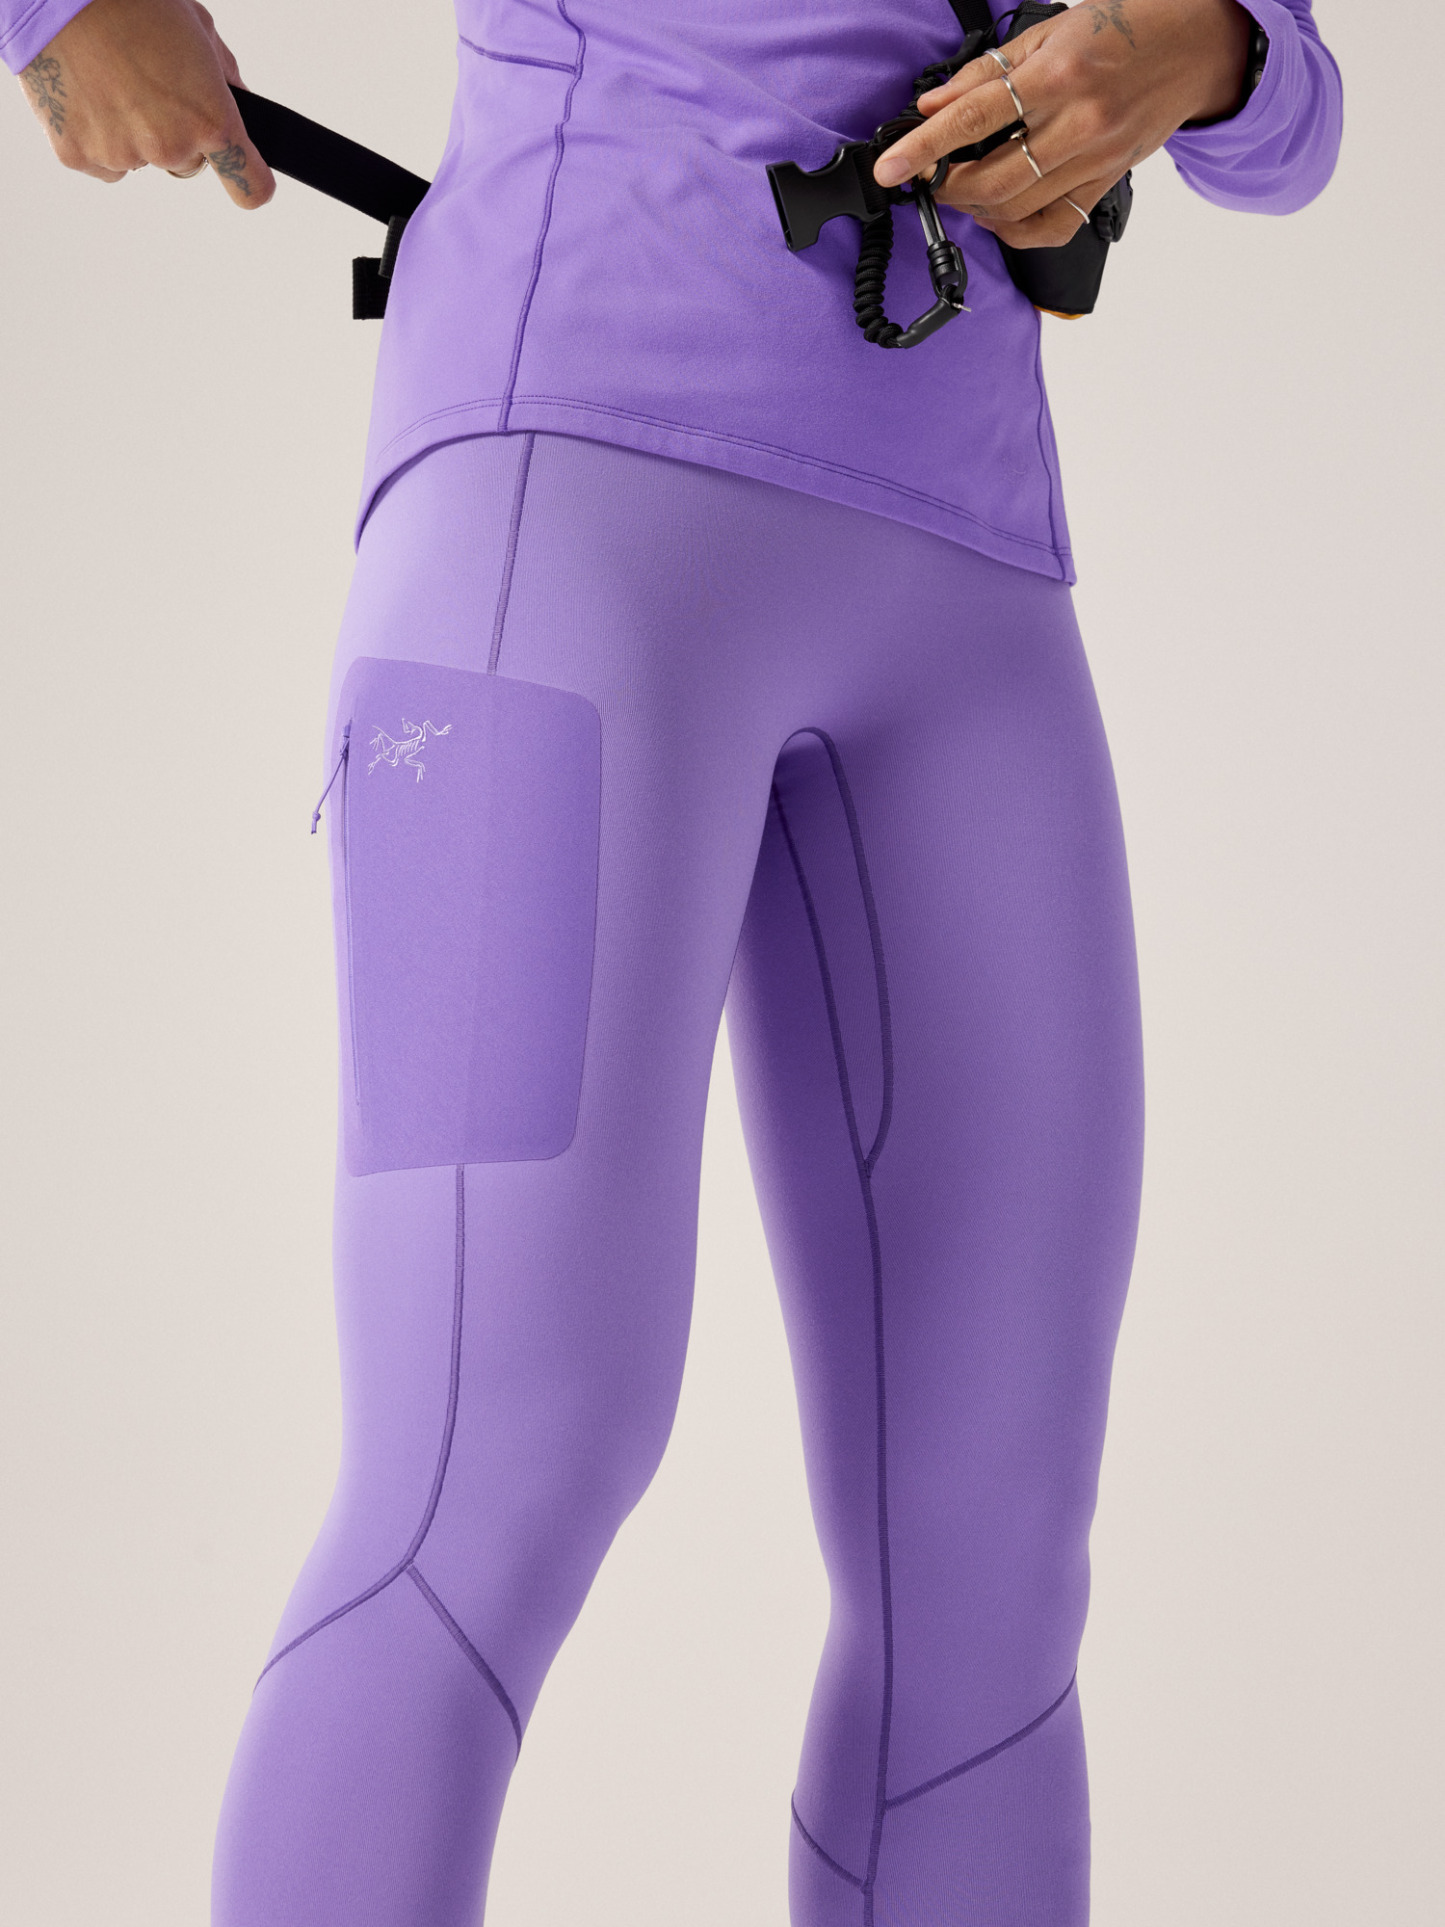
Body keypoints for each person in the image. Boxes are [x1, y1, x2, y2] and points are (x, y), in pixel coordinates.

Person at [7, 1, 1342, 1921]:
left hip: (971, 592)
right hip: (566, 513)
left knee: (989, 1563)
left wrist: (1200, 46)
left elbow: (1288, 120)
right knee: (495, 1465)